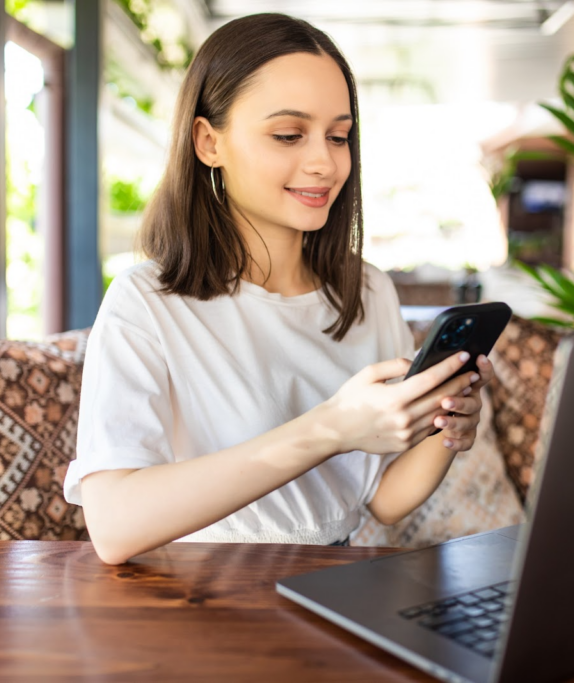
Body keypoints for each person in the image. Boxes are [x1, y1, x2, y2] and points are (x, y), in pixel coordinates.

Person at [63, 13, 495, 565]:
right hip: (193, 596)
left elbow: (383, 499)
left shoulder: (366, 291)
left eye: (339, 136)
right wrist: (329, 428)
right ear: (207, 141)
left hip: (330, 586)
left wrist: (445, 431)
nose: (325, 162)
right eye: (289, 135)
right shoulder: (145, 300)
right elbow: (115, 525)